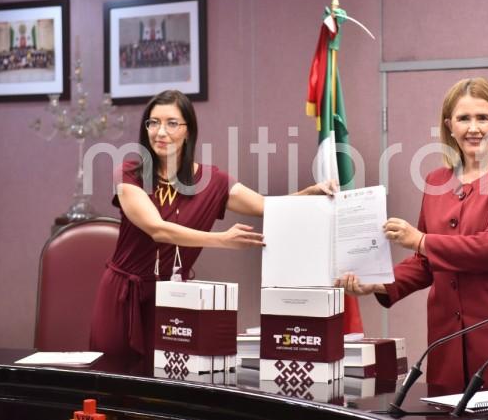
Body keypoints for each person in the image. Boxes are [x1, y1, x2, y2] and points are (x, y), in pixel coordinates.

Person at [337, 77, 488, 394]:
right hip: (450, 349)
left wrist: (421, 240)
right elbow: (427, 262)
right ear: (449, 126)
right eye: (464, 119)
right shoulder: (436, 180)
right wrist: (379, 281)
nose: (473, 128)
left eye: (483, 118)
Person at [89, 89, 335, 360]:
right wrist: (221, 240)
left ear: (188, 130)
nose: (160, 132)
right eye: (153, 122)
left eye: (171, 123)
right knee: (112, 378)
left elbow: (267, 206)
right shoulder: (129, 173)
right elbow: (156, 229)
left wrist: (308, 194)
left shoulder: (212, 181)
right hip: (123, 295)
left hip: (174, 299)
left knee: (166, 382)